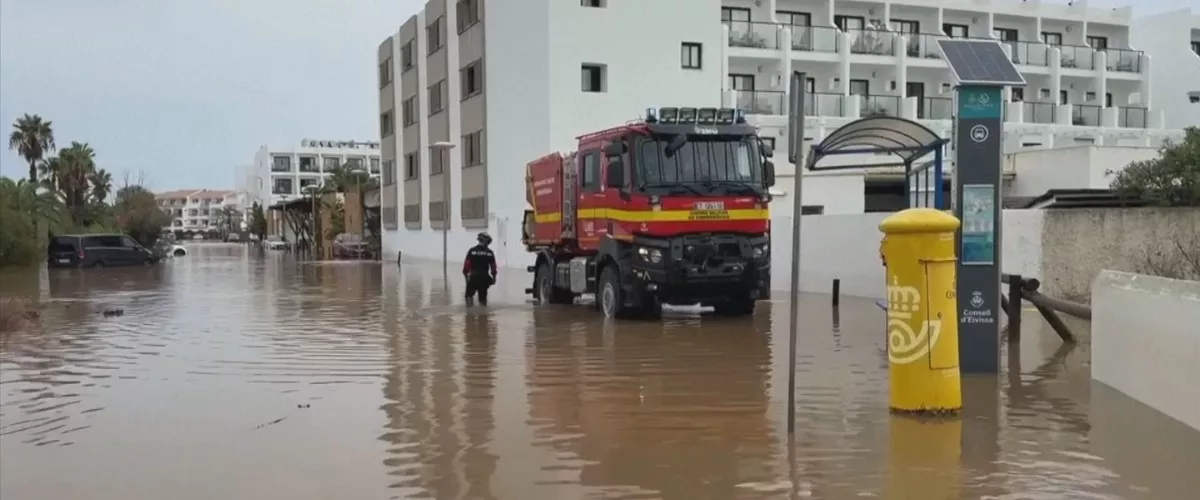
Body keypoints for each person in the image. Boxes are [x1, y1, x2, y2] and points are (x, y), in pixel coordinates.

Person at [462, 232, 497, 306]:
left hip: (473, 276)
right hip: (484, 278)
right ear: (487, 242)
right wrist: (494, 278)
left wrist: (466, 276)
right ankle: (483, 315)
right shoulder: (490, 252)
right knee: (483, 298)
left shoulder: (471, 250)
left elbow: (466, 265)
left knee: (469, 295)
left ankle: (469, 314)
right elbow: (493, 267)